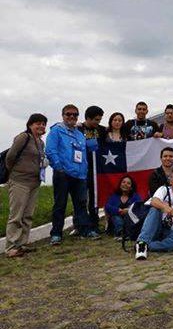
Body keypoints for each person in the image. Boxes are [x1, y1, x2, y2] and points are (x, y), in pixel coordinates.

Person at [46, 105, 97, 244]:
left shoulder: (80, 134)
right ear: (63, 115)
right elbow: (50, 150)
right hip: (63, 174)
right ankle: (56, 233)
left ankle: (84, 229)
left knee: (81, 204)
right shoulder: (56, 131)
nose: (72, 117)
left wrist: (85, 171)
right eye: (69, 114)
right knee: (60, 204)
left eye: (75, 115)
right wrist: (59, 167)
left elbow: (87, 152)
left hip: (80, 175)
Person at [4, 113, 48, 257]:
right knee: (16, 215)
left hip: (34, 182)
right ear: (30, 124)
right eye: (38, 123)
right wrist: (15, 172)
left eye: (43, 124)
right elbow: (10, 157)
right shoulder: (23, 137)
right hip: (19, 181)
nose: (41, 126)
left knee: (28, 215)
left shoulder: (41, 142)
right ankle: (11, 247)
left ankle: (22, 243)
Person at [77, 105, 105, 236]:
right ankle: (80, 225)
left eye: (99, 120)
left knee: (94, 199)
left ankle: (94, 224)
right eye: (95, 120)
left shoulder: (101, 130)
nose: (97, 122)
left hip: (96, 171)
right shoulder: (78, 128)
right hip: (81, 169)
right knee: (81, 199)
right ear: (87, 118)